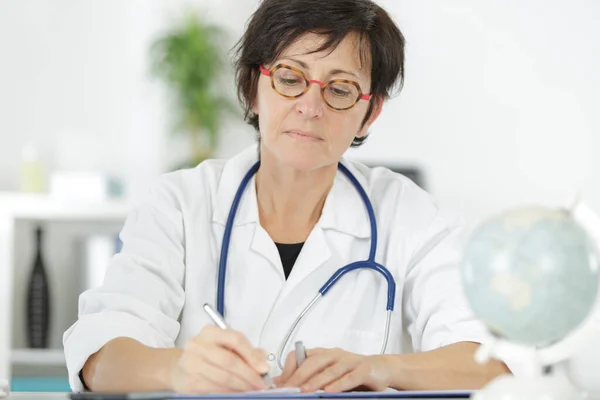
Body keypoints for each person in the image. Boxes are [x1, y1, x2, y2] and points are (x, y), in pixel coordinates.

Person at [63, 0, 511, 394]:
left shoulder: (412, 216)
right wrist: (178, 368)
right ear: (253, 87)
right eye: (289, 77)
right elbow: (99, 359)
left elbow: (491, 364)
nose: (310, 106)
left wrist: (380, 366)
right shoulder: (180, 203)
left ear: (369, 112)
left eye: (339, 89)